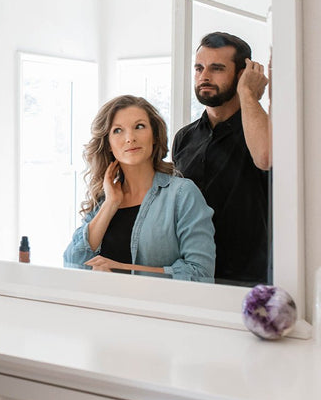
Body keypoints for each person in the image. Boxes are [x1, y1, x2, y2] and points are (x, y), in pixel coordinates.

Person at [63, 95, 214, 281]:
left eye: (139, 126)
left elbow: (201, 274)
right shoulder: (104, 200)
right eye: (118, 130)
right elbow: (72, 264)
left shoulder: (182, 194)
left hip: (157, 309)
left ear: (155, 136)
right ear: (109, 145)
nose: (130, 138)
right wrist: (110, 204)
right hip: (105, 308)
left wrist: (123, 269)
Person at [172, 31, 271, 286]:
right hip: (190, 277)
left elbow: (265, 157)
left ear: (242, 74)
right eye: (199, 68)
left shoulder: (263, 131)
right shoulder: (184, 137)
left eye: (216, 68)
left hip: (248, 282)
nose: (204, 76)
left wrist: (249, 94)